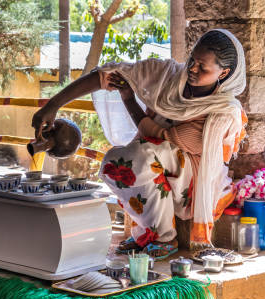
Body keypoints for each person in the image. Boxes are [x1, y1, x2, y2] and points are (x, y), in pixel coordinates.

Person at [32, 29, 247, 260]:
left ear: (223, 72)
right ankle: (148, 231)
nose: (192, 69)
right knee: (113, 165)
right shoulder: (167, 75)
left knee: (140, 158)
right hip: (156, 157)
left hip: (193, 180)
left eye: (202, 67)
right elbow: (108, 74)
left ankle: (164, 237)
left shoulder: (224, 113)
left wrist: (128, 99)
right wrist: (52, 106)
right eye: (192, 59)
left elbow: (160, 135)